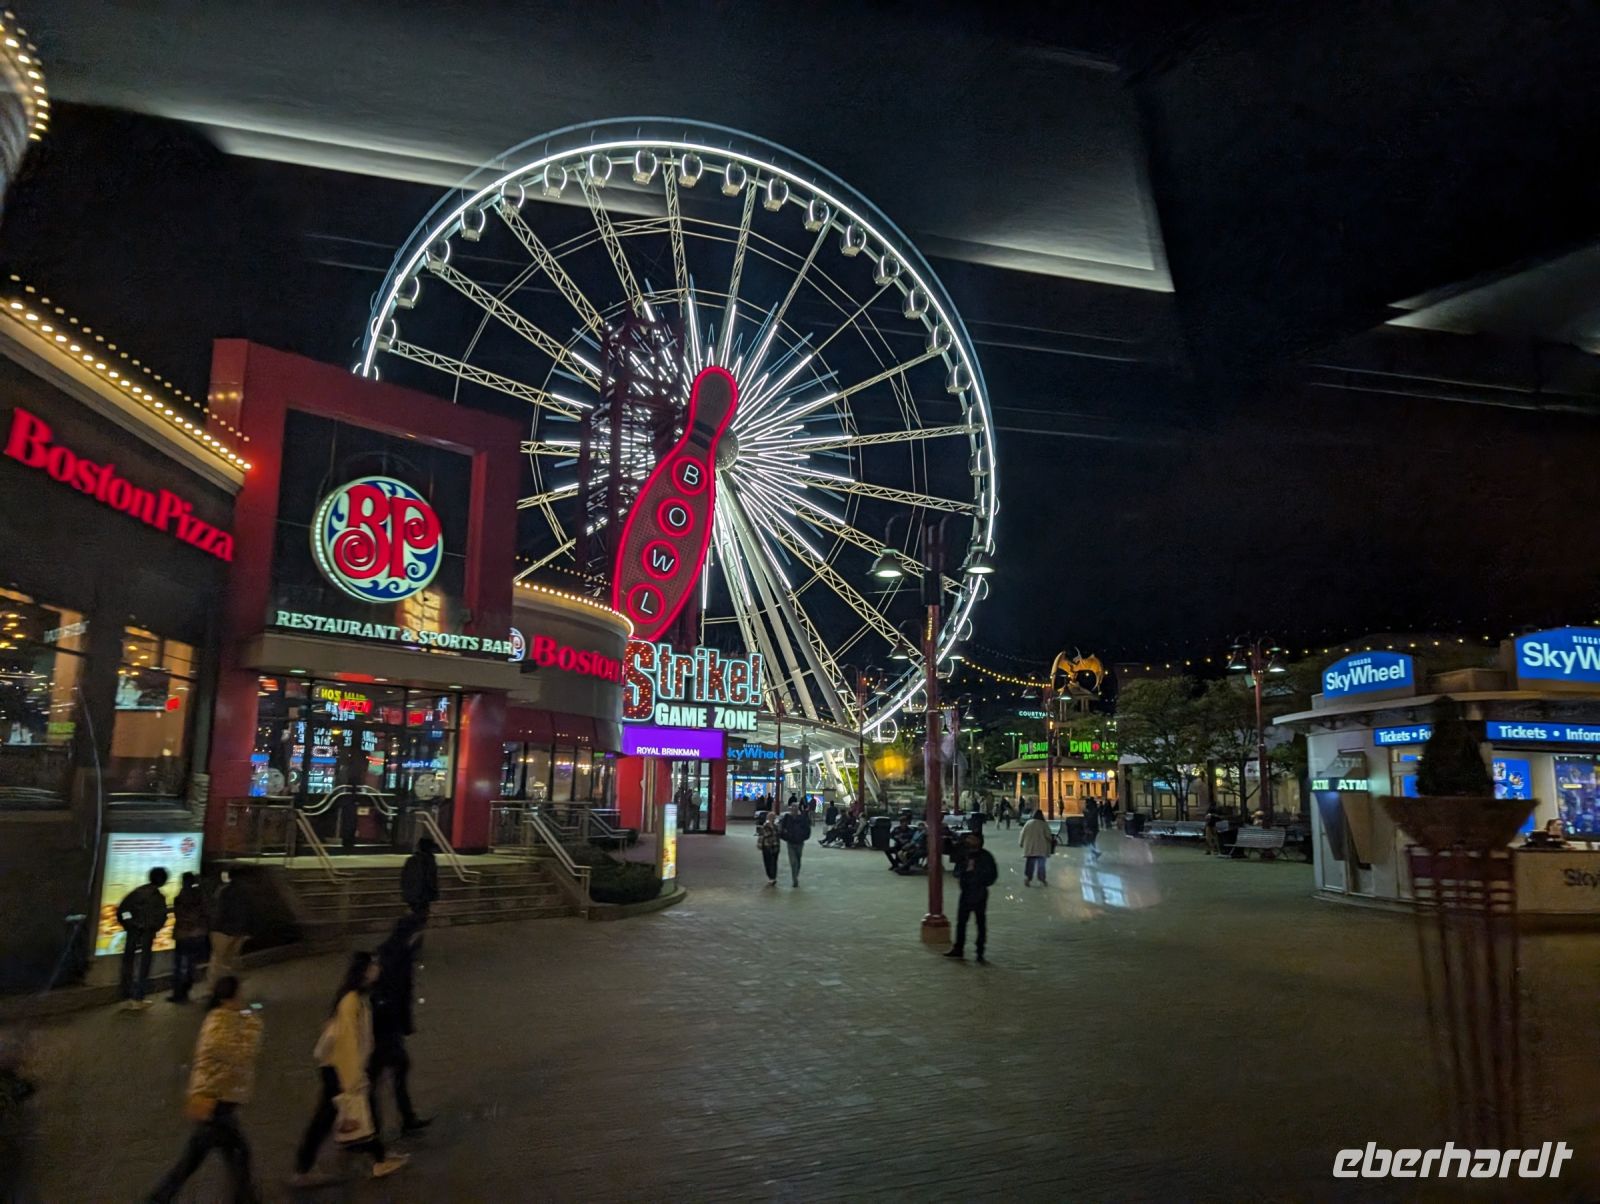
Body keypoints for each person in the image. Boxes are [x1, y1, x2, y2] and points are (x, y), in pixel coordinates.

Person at [293, 952, 408, 1185]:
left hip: (338, 1068)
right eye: (373, 964)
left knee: (351, 1113)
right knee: (330, 1118)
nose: (377, 967)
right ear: (364, 970)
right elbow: (348, 1043)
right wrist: (353, 1078)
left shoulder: (357, 998)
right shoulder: (352, 1001)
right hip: (338, 1070)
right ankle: (304, 1169)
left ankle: (379, 1156)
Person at [146, 976, 264, 1203]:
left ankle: (160, 1197)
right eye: (240, 992)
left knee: (218, 1156)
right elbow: (241, 1054)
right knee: (232, 1153)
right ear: (232, 996)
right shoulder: (219, 1024)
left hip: (218, 1102)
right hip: (215, 1102)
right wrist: (252, 1025)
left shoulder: (224, 1018)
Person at [370, 914, 431, 1138]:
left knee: (396, 1070)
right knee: (382, 1074)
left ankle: (406, 1118)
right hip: (385, 1026)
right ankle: (372, 1129)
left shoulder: (392, 952)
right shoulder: (397, 957)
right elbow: (398, 994)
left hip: (388, 1025)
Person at [116, 866, 169, 1010]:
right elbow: (162, 917)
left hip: (133, 934)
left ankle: (125, 997)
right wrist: (150, 927)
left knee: (128, 964)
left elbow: (123, 911)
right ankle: (138, 998)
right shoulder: (158, 897)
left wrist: (130, 924)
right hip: (147, 935)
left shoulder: (137, 893)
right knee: (143, 966)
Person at [946, 832, 998, 963]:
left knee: (980, 923)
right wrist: (963, 874)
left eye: (972, 838)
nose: (969, 841)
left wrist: (979, 878)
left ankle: (980, 952)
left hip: (979, 893)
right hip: (966, 892)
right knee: (961, 922)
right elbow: (956, 871)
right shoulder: (964, 855)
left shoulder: (986, 856)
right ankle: (958, 948)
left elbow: (992, 875)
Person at [169, 871, 209, 1004]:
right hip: (198, 934)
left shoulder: (181, 897)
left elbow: (180, 915)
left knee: (180, 965)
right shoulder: (201, 895)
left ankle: (178, 994)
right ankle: (186, 990)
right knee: (191, 964)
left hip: (184, 935)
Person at [209, 870, 251, 988]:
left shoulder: (224, 891)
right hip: (238, 931)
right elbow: (249, 912)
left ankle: (214, 988)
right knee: (232, 960)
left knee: (217, 961)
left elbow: (218, 910)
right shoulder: (247, 892)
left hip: (222, 930)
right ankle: (232, 988)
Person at [400, 837, 440, 916]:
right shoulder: (428, 860)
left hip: (417, 894)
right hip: (421, 894)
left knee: (418, 913)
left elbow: (405, 878)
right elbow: (430, 879)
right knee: (420, 913)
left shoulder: (414, 860)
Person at [777, 801, 811, 887]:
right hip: (790, 842)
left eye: (795, 808)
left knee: (798, 860)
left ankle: (796, 874)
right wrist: (785, 836)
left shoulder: (802, 818)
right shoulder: (787, 818)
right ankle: (794, 879)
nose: (794, 809)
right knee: (793, 862)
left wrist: (803, 837)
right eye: (792, 808)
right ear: (790, 809)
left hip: (800, 842)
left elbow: (807, 829)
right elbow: (781, 828)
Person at [1019, 809, 1054, 887]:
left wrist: (1021, 843)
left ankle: (1028, 878)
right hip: (1041, 849)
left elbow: (1022, 834)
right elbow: (1048, 836)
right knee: (1041, 864)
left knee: (1030, 864)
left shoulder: (1028, 823)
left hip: (1030, 848)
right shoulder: (1043, 824)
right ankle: (1042, 879)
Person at [756, 812, 781, 886]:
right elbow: (761, 836)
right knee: (768, 862)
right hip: (767, 847)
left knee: (773, 862)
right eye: (771, 817)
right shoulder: (765, 826)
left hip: (775, 846)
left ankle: (773, 877)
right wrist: (760, 845)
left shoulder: (776, 826)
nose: (772, 819)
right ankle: (771, 876)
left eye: (773, 818)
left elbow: (778, 836)